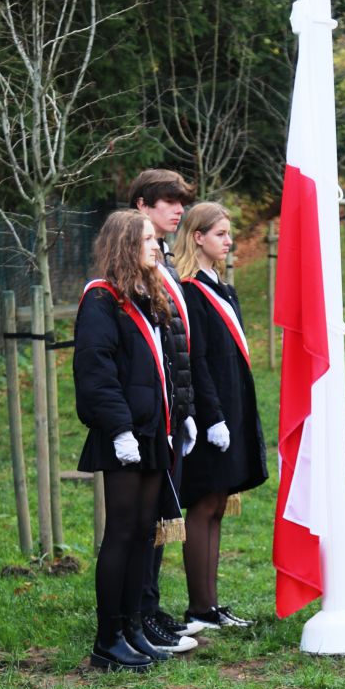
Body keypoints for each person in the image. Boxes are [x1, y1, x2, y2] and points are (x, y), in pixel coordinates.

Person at [73, 210, 198, 671]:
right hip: (122, 434)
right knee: (121, 535)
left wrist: (178, 417)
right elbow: (96, 371)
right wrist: (120, 428)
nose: (156, 245)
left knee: (144, 535)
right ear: (125, 243)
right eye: (146, 238)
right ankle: (108, 640)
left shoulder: (146, 297)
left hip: (152, 433)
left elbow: (161, 368)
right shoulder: (101, 299)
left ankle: (131, 628)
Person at [173, 202, 268, 629]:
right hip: (212, 411)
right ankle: (198, 608)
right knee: (205, 501)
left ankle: (211, 605)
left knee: (217, 504)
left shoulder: (223, 287)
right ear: (198, 237)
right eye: (221, 235)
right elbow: (198, 358)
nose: (229, 242)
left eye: (229, 234)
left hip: (233, 404)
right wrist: (211, 416)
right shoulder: (192, 289)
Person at [128, 169, 205, 651]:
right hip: (150, 411)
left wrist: (188, 406)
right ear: (141, 206)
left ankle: (150, 608)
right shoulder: (136, 263)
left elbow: (178, 343)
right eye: (167, 202)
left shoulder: (167, 258)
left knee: (161, 517)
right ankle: (137, 612)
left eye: (181, 203)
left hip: (173, 406)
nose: (177, 210)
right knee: (146, 518)